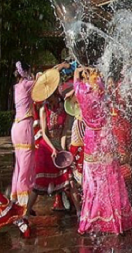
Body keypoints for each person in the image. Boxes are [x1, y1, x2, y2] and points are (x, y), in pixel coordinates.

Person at [74, 67, 132, 235]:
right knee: (111, 180)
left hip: (90, 140)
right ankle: (116, 221)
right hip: (105, 139)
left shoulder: (81, 92)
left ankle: (91, 219)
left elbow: (76, 80)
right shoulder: (101, 93)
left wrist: (81, 71)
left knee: (92, 182)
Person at [26, 92, 81, 216]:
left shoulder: (64, 109)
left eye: (50, 99)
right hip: (45, 146)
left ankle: (79, 212)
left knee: (70, 180)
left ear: (55, 95)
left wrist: (62, 148)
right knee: (39, 183)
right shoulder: (43, 110)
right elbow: (44, 133)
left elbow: (63, 133)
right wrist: (53, 149)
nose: (49, 102)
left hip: (58, 145)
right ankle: (26, 212)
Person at [10, 61, 36, 208]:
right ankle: (23, 203)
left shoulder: (16, 86)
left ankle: (14, 198)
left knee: (19, 164)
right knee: (25, 164)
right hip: (25, 126)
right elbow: (43, 80)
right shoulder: (27, 84)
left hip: (16, 127)